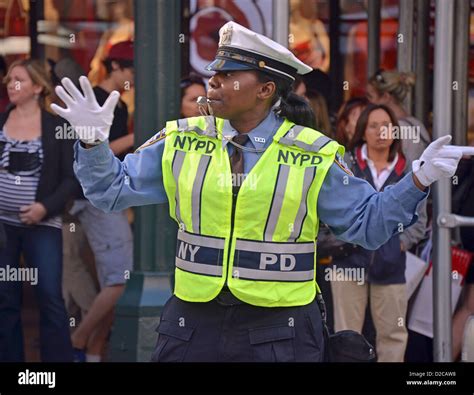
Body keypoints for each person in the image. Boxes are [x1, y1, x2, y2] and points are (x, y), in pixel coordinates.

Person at [52, 21, 472, 362]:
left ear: (266, 89)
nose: (212, 82)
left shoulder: (313, 154)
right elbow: (110, 192)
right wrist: (92, 143)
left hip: (280, 330)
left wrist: (417, 178)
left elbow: (369, 227)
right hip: (191, 326)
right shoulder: (182, 139)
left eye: (227, 75)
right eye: (213, 73)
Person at [331, 104, 427, 362]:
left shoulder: (409, 171)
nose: (380, 131)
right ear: (362, 131)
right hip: (348, 263)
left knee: (393, 334)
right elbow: (333, 209)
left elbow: (420, 221)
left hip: (391, 265)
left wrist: (398, 245)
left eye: (386, 125)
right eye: (373, 126)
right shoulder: (346, 162)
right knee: (346, 334)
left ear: (395, 131)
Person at [0, 59, 76, 362]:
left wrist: (44, 207)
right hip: (3, 226)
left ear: (38, 87)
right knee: (6, 298)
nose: (11, 85)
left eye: (19, 80)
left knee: (49, 296)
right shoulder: (1, 121)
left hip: (43, 224)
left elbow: (72, 178)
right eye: (8, 80)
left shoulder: (57, 127)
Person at [66, 41, 135, 362]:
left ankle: (92, 350)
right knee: (119, 279)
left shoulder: (119, 103)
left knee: (114, 280)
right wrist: (141, 134)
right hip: (90, 198)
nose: (135, 75)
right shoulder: (93, 97)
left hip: (107, 197)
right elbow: (92, 151)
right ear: (116, 67)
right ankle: (79, 340)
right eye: (131, 69)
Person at [366, 70, 431, 164]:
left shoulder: (392, 129)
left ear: (386, 96)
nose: (368, 103)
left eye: (370, 96)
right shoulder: (417, 124)